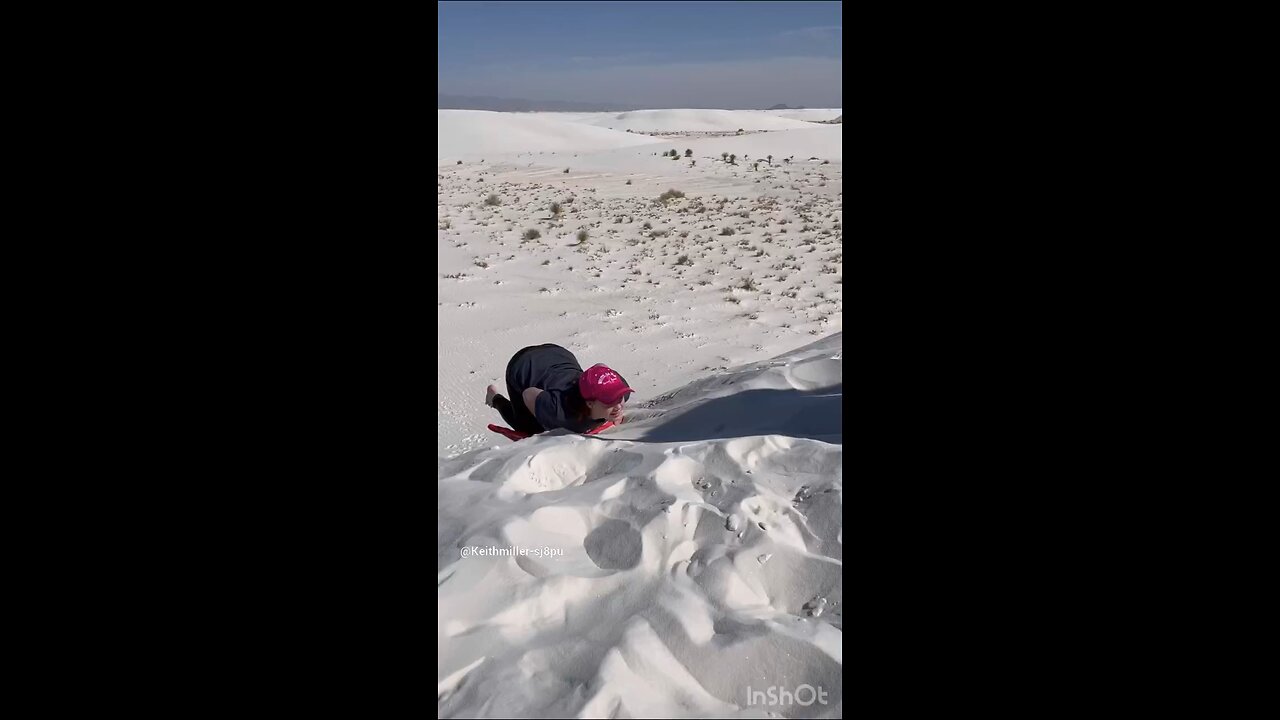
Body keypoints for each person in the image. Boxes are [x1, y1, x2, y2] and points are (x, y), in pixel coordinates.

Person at [485, 344, 632, 436]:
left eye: (618, 397)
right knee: (528, 428)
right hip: (523, 363)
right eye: (608, 402)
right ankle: (494, 397)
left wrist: (614, 413)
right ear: (589, 403)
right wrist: (545, 420)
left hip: (558, 354)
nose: (619, 406)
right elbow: (528, 394)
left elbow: (601, 366)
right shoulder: (562, 413)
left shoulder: (623, 391)